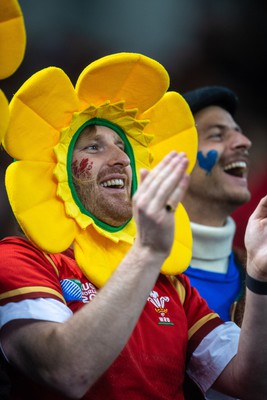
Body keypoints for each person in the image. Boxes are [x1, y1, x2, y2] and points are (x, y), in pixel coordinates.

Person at [0, 53, 267, 400]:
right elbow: (66, 371)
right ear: (59, 169)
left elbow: (251, 383)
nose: (121, 158)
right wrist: (147, 252)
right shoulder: (21, 259)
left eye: (123, 148)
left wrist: (260, 276)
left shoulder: (173, 284)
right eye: (94, 146)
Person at [181, 86, 251, 327]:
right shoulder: (133, 272)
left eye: (238, 133)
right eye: (217, 135)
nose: (244, 142)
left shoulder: (258, 271)